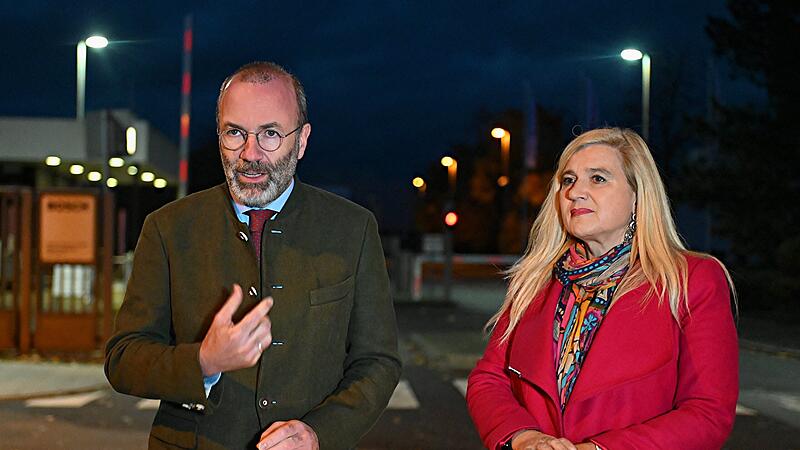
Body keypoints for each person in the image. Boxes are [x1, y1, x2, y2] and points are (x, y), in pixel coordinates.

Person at [105, 61, 401, 450]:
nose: (250, 153)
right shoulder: (167, 228)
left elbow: (378, 361)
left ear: (302, 140)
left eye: (271, 134)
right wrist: (204, 362)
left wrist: (319, 433)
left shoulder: (352, 228)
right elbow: (123, 359)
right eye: (235, 133)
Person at [467, 128, 738, 450]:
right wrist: (524, 437)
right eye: (568, 180)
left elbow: (707, 413)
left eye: (597, 178)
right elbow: (488, 379)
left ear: (638, 196)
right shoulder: (535, 281)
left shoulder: (691, 280)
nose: (575, 192)